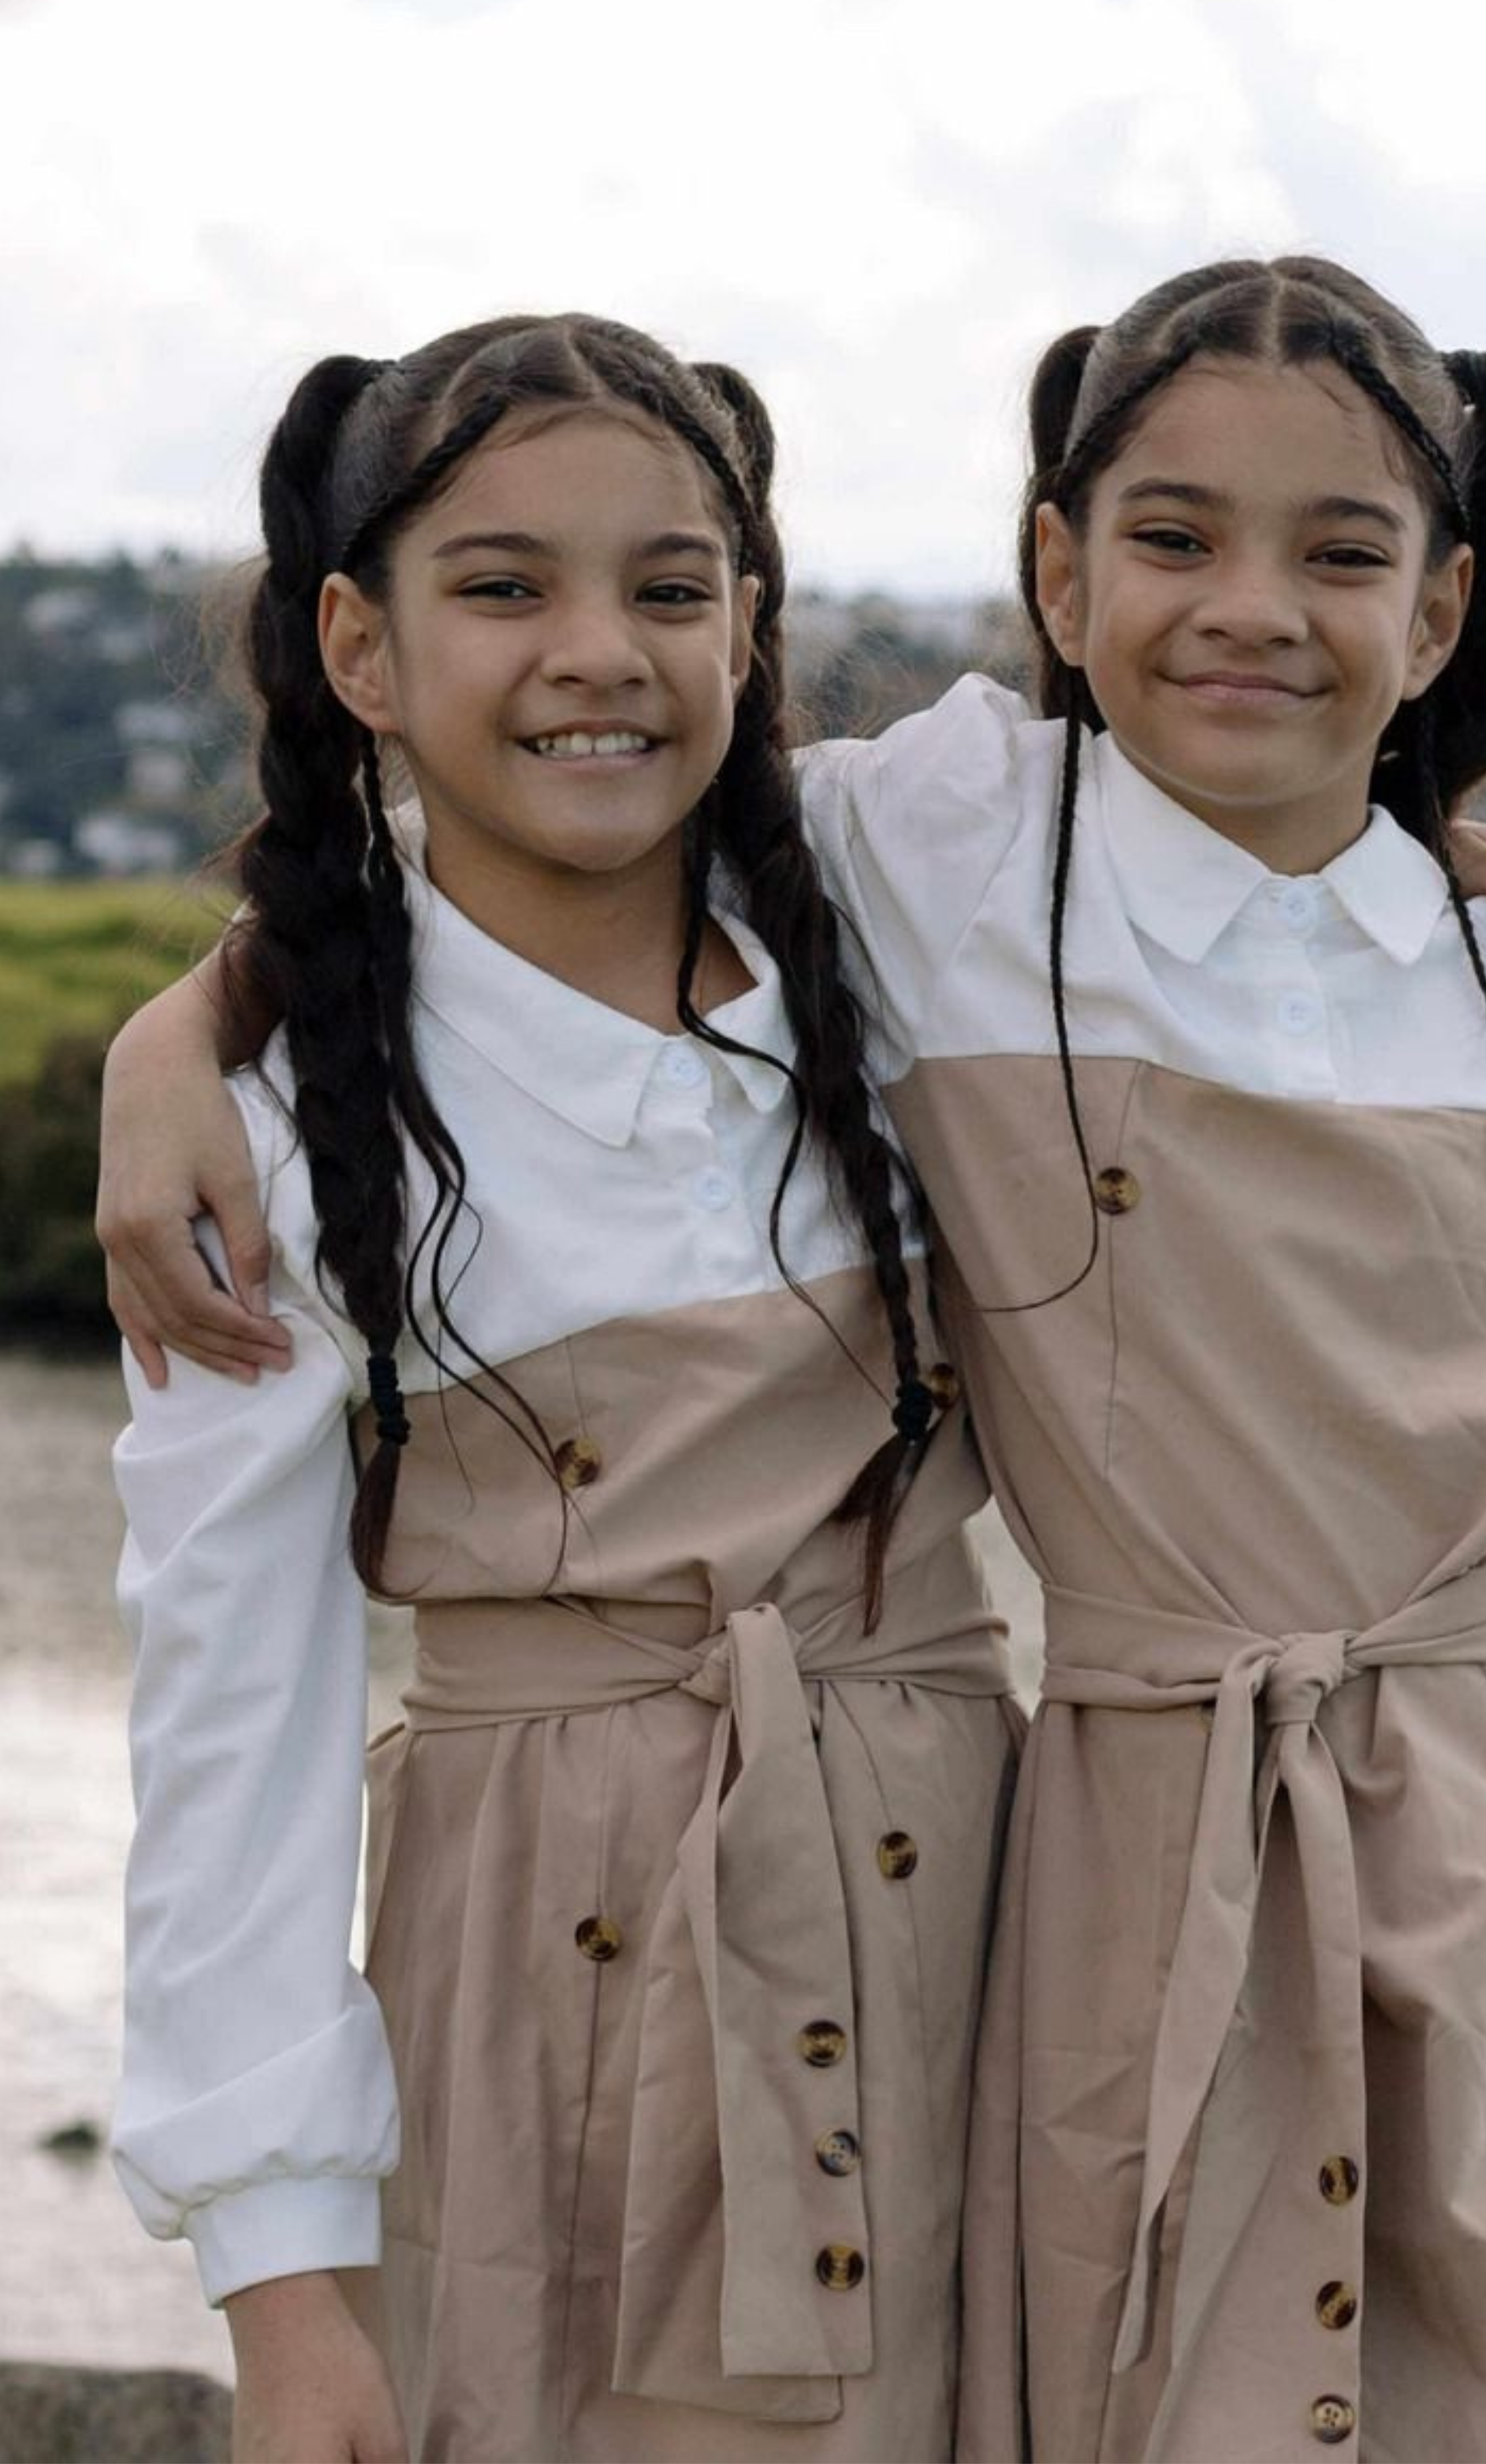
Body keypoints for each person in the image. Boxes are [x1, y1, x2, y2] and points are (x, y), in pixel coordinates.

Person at [785, 259, 1486, 2462]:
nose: (1249, 609)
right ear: (1057, 566)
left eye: (1339, 553)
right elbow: (528, 823)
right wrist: (198, 1035)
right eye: (1173, 535)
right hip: (1152, 1864)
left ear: (1435, 612)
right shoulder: (923, 855)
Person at [109, 311, 1022, 2464]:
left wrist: (1474, 859)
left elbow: (1224, 797)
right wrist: (283, 2280)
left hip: (969, 1902)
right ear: (358, 645)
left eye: (670, 585)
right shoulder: (282, 1117)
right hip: (543, 1954)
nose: (597, 650)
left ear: (751, 620)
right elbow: (230, 1712)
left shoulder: (898, 920)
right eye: (502, 586)